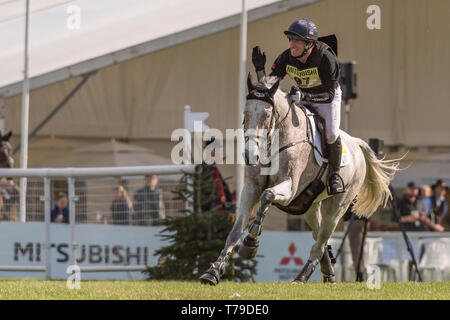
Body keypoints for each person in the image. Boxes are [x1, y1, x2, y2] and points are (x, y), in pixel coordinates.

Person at [251, 18, 344, 195]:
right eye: (290, 39)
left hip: (326, 98)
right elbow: (269, 88)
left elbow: (329, 94)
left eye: (296, 40)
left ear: (309, 44)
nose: (292, 44)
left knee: (331, 133)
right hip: (302, 95)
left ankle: (335, 175)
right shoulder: (286, 57)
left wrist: (305, 96)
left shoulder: (326, 58)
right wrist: (260, 69)